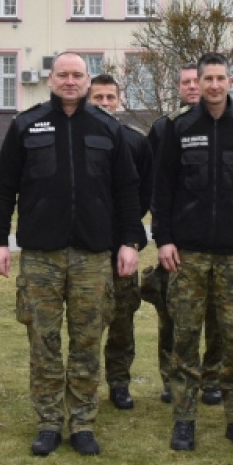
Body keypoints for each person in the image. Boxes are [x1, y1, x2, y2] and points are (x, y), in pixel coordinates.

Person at [0, 52, 143, 457]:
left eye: (77, 75)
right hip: (41, 255)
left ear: (88, 80)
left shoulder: (108, 128)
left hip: (94, 255)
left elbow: (128, 190)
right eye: (63, 74)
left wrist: (129, 241)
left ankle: (83, 422)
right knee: (43, 339)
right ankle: (49, 421)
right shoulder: (25, 124)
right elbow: (3, 188)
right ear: (51, 79)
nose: (70, 81)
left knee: (87, 340)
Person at [151, 52, 233, 452]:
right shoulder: (177, 127)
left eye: (221, 78)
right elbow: (162, 189)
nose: (215, 85)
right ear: (197, 84)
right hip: (188, 254)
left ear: (230, 81)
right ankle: (184, 419)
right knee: (185, 337)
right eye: (208, 79)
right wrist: (163, 239)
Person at [139, 63, 208, 404]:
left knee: (218, 318)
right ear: (178, 88)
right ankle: (171, 377)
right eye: (186, 83)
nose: (193, 87)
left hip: (215, 240)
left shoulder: (232, 125)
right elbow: (156, 184)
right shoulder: (164, 128)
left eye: (198, 81)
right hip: (177, 241)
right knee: (173, 316)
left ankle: (211, 377)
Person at [88, 72, 151, 410]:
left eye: (110, 98)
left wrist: (128, 233)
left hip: (123, 243)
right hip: (86, 245)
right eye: (98, 98)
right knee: (87, 320)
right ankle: (86, 382)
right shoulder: (78, 135)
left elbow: (143, 194)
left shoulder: (135, 141)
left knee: (123, 319)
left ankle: (119, 382)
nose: (105, 104)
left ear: (119, 100)